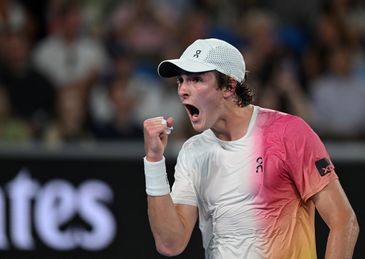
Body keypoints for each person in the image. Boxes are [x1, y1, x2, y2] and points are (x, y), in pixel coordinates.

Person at [142, 38, 359, 259]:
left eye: (196, 79)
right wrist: (154, 160)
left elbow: (344, 221)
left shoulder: (289, 133)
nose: (183, 90)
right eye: (181, 80)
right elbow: (170, 244)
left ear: (229, 86)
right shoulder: (192, 151)